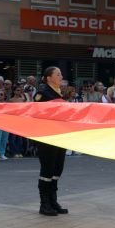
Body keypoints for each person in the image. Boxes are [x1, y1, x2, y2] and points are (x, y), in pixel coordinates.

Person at [34, 67, 69, 216]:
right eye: (58, 74)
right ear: (48, 77)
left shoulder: (59, 92)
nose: (61, 76)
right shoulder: (43, 92)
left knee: (57, 169)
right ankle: (44, 204)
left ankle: (53, 201)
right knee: (47, 170)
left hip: (60, 135)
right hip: (46, 136)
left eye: (61, 74)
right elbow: (38, 111)